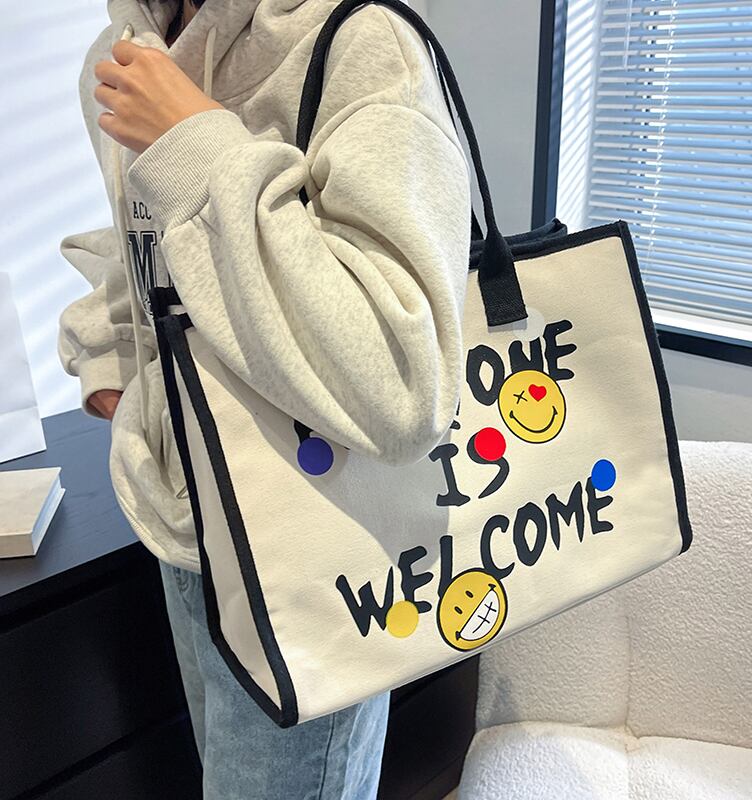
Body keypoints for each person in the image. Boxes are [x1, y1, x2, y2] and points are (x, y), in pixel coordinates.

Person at [56, 0, 472, 797]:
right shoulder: (123, 51)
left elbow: (404, 386)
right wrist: (111, 360)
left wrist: (194, 141)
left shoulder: (359, 41)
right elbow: (149, 245)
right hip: (187, 522)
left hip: (312, 538)